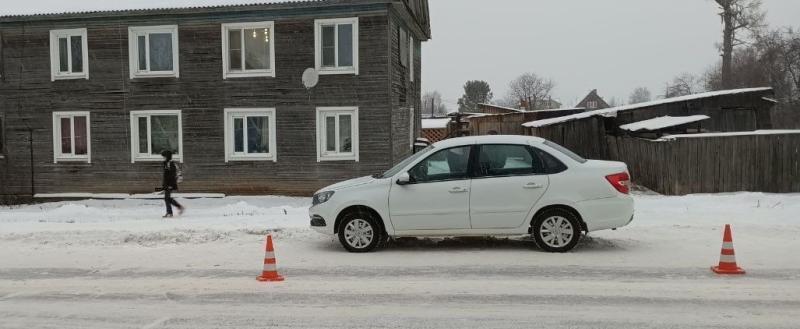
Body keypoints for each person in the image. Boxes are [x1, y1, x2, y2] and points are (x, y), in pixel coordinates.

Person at [161, 150, 184, 218]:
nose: (163, 158)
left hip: (170, 183)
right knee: (167, 198)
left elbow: (172, 175)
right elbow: (166, 175)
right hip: (167, 183)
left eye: (164, 156)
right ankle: (179, 207)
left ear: (167, 156)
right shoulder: (166, 163)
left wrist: (170, 185)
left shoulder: (170, 164)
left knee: (167, 198)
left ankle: (170, 212)